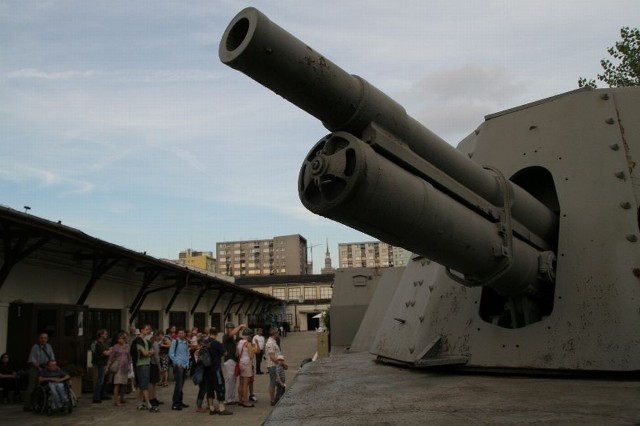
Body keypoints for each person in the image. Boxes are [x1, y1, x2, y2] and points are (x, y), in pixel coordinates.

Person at [203, 327, 232, 416]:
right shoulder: (217, 343)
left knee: (210, 388)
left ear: (209, 333)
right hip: (216, 368)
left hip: (207, 369)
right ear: (216, 334)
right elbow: (225, 353)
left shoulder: (205, 342)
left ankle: (211, 408)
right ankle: (221, 408)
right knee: (220, 386)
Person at [24, 332, 55, 411]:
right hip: (35, 368)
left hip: (45, 368)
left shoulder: (49, 347)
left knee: (43, 386)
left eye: (45, 338)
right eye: (42, 338)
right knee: (32, 387)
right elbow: (32, 359)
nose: (43, 339)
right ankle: (27, 405)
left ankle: (40, 404)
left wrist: (50, 366)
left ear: (47, 339)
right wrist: (38, 367)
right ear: (39, 339)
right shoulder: (35, 347)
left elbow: (52, 358)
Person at [133, 324, 158, 412]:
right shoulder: (139, 340)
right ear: (142, 330)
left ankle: (139, 404)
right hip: (141, 364)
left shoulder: (146, 340)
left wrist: (149, 352)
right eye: (146, 329)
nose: (148, 331)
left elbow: (153, 351)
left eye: (149, 329)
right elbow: (145, 353)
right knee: (144, 385)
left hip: (146, 363)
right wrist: (149, 353)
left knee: (141, 384)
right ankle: (148, 404)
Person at [106, 332, 132, 406]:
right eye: (120, 338)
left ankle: (122, 398)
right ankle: (116, 400)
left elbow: (129, 356)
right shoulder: (115, 347)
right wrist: (108, 366)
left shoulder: (127, 346)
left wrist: (130, 366)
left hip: (125, 367)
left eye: (123, 338)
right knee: (117, 384)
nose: (122, 340)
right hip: (118, 367)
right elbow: (111, 357)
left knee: (124, 384)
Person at [222, 322, 245, 405]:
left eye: (232, 328)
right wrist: (240, 326)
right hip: (229, 360)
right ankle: (227, 398)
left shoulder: (231, 338)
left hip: (233, 360)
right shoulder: (226, 336)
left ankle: (231, 398)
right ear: (227, 329)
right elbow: (232, 333)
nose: (231, 329)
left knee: (233, 380)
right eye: (230, 328)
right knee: (230, 379)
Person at [169, 328, 190, 411]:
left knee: (181, 385)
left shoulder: (186, 342)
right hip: (179, 366)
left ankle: (180, 401)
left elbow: (187, 353)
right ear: (177, 334)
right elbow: (171, 354)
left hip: (185, 365)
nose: (181, 334)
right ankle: (175, 403)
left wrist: (187, 363)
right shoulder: (175, 342)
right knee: (178, 385)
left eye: (182, 332)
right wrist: (177, 363)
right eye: (180, 333)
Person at [92, 329, 112, 403]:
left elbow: (109, 349)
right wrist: (110, 351)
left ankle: (103, 394)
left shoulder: (105, 343)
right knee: (100, 380)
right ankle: (96, 397)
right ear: (101, 335)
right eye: (105, 334)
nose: (106, 335)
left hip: (105, 362)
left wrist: (110, 350)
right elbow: (106, 353)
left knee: (105, 380)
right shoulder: (98, 344)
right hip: (100, 363)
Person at [236, 328, 255, 407]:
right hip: (247, 363)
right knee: (246, 384)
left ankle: (240, 400)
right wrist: (253, 352)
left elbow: (236, 354)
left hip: (240, 363)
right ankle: (246, 402)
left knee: (241, 383)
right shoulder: (248, 344)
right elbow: (251, 356)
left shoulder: (239, 342)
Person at [265, 327, 281, 406]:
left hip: (275, 364)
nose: (278, 333)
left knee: (276, 381)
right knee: (273, 382)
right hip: (273, 365)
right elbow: (272, 356)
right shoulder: (270, 343)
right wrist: (280, 363)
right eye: (277, 332)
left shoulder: (273, 341)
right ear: (274, 333)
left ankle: (276, 398)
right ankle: (272, 399)